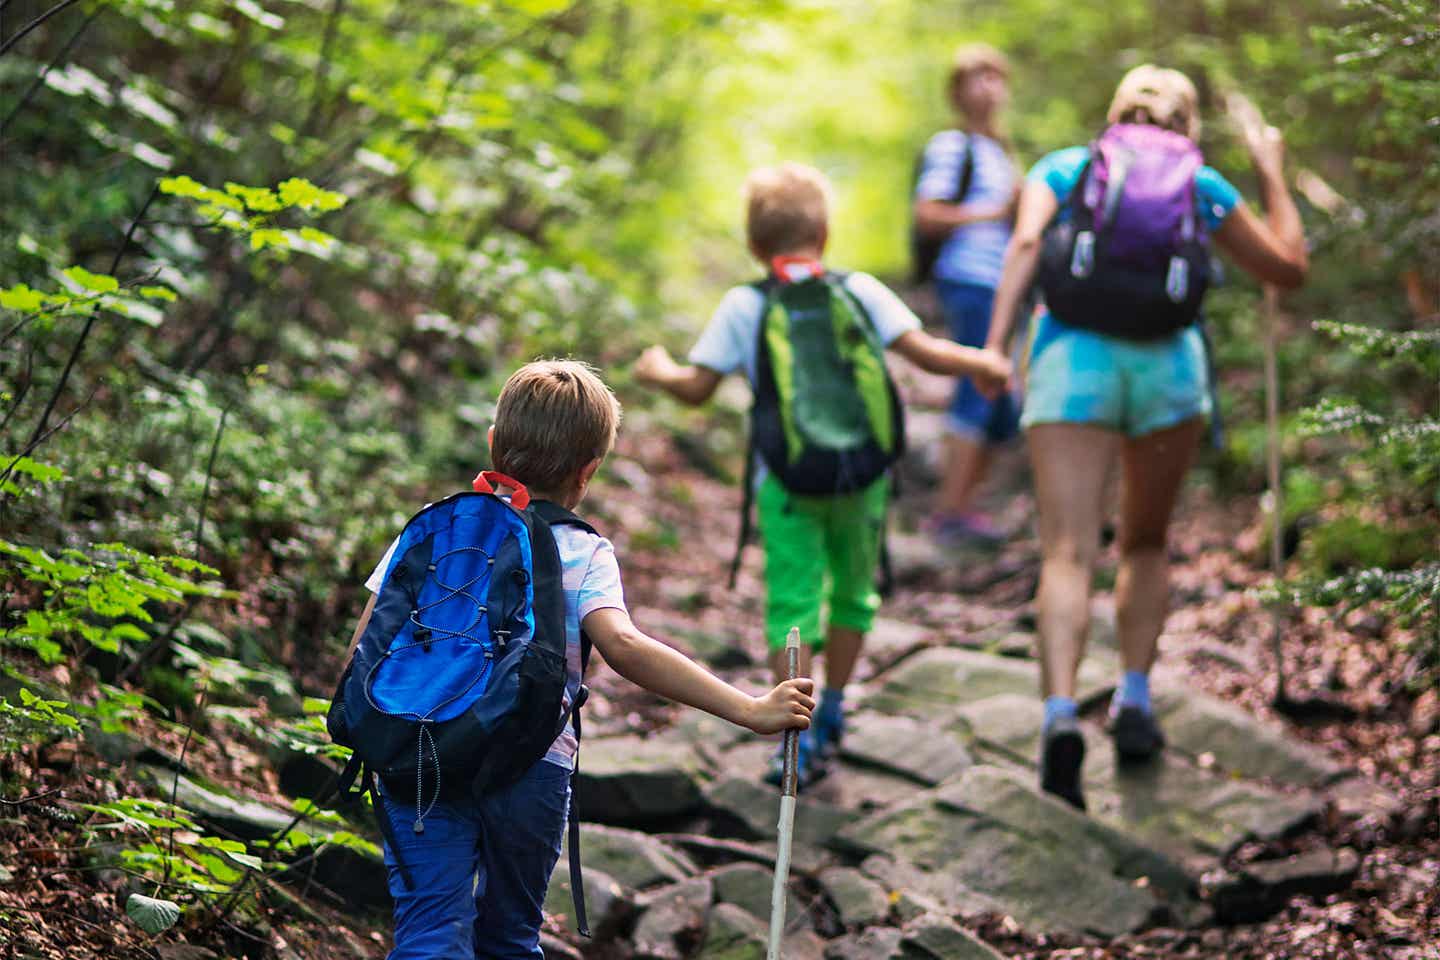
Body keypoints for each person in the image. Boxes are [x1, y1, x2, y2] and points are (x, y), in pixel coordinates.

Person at [344, 360, 816, 959]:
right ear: (589, 471)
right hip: (529, 764)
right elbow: (625, 647)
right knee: (510, 936)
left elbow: (366, 648)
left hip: (417, 754)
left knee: (429, 930)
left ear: (494, 445)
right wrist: (749, 708)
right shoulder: (583, 550)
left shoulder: (434, 531)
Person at [976, 66, 1308, 809]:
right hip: (1168, 371)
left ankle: (1061, 715)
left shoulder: (1065, 167)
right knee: (1146, 543)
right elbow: (1287, 269)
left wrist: (996, 347)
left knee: (1067, 550)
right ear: (1189, 124)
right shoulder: (1202, 184)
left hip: (1070, 363)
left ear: (1114, 112)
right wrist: (1272, 176)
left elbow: (1027, 242)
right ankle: (1132, 700)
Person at [635, 164, 1011, 786]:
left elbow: (697, 388)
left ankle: (794, 732)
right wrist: (983, 364)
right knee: (855, 591)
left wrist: (658, 370)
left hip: (785, 483)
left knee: (793, 600)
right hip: (863, 474)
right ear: (825, 233)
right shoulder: (858, 289)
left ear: (755, 245)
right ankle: (834, 708)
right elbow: (927, 353)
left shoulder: (745, 304)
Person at [913, 43, 1023, 545]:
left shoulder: (1000, 151)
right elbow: (927, 214)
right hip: (969, 277)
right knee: (978, 390)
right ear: (957, 92)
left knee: (1001, 401)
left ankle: (963, 506)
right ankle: (948, 512)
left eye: (995, 78)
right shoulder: (951, 147)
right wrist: (992, 213)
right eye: (977, 79)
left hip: (1001, 284)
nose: (988, 88)